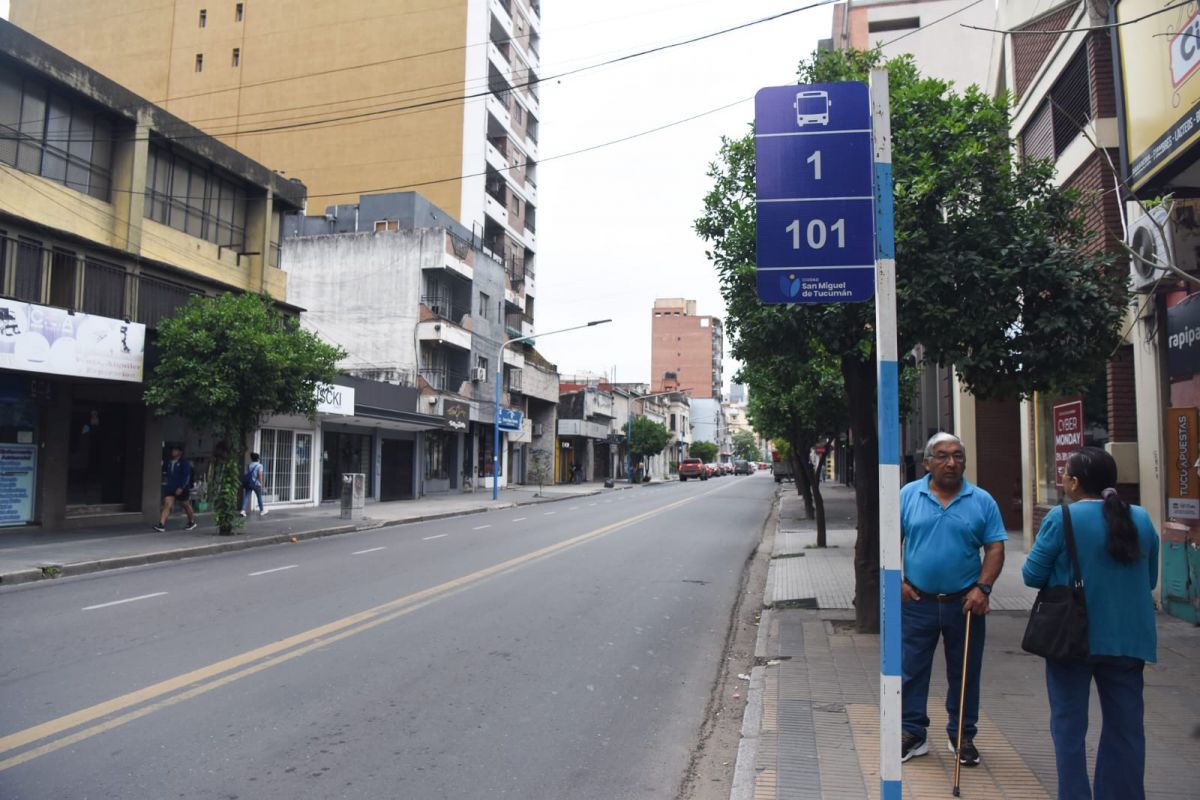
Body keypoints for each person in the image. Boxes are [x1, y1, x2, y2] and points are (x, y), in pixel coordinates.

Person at [1022, 447, 1159, 800]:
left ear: (1075, 482)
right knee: (1127, 729)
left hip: (1072, 639)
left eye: (1065, 474)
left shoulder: (1061, 518)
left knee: (1069, 728)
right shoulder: (1141, 519)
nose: (1063, 480)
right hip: (1130, 640)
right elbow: (1149, 579)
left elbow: (1031, 574)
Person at [899, 432, 1007, 767]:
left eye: (958, 456)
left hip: (965, 603)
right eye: (943, 456)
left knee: (964, 673)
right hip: (918, 601)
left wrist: (983, 588)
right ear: (928, 462)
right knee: (912, 670)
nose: (952, 463)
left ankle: (962, 735)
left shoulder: (982, 500)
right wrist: (898, 582)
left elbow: (995, 547)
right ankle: (913, 733)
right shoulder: (908, 495)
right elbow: (888, 538)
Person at [156, 444, 197, 532]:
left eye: (175, 450)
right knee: (167, 504)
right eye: (173, 450)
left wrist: (181, 487)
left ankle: (191, 521)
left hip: (181, 488)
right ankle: (161, 524)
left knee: (185, 504)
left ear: (180, 452)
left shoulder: (184, 463)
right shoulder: (170, 462)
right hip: (171, 487)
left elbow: (186, 476)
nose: (173, 452)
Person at [240, 453, 268, 517]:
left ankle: (243, 510)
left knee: (247, 496)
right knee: (259, 497)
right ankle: (262, 511)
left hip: (249, 483)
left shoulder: (249, 465)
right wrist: (261, 483)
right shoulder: (259, 465)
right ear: (258, 458)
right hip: (256, 484)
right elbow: (260, 475)